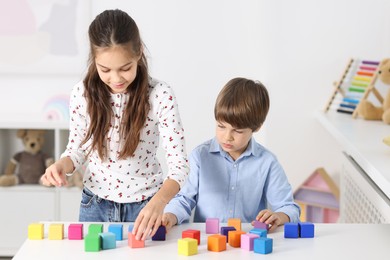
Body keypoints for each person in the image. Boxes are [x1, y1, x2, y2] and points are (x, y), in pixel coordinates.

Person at [40, 9, 189, 240]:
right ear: (94, 59)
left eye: (125, 68)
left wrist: (159, 202)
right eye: (105, 70)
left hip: (146, 207)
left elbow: (179, 167)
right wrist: (62, 165)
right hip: (95, 205)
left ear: (139, 52)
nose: (116, 79)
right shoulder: (82, 93)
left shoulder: (160, 95)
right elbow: (77, 150)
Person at [162, 77, 300, 232]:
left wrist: (279, 216)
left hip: (247, 241)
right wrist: (170, 215)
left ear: (257, 127)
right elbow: (183, 199)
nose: (227, 136)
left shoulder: (267, 162)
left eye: (238, 130)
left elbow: (289, 207)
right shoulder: (200, 156)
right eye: (221, 126)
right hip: (208, 242)